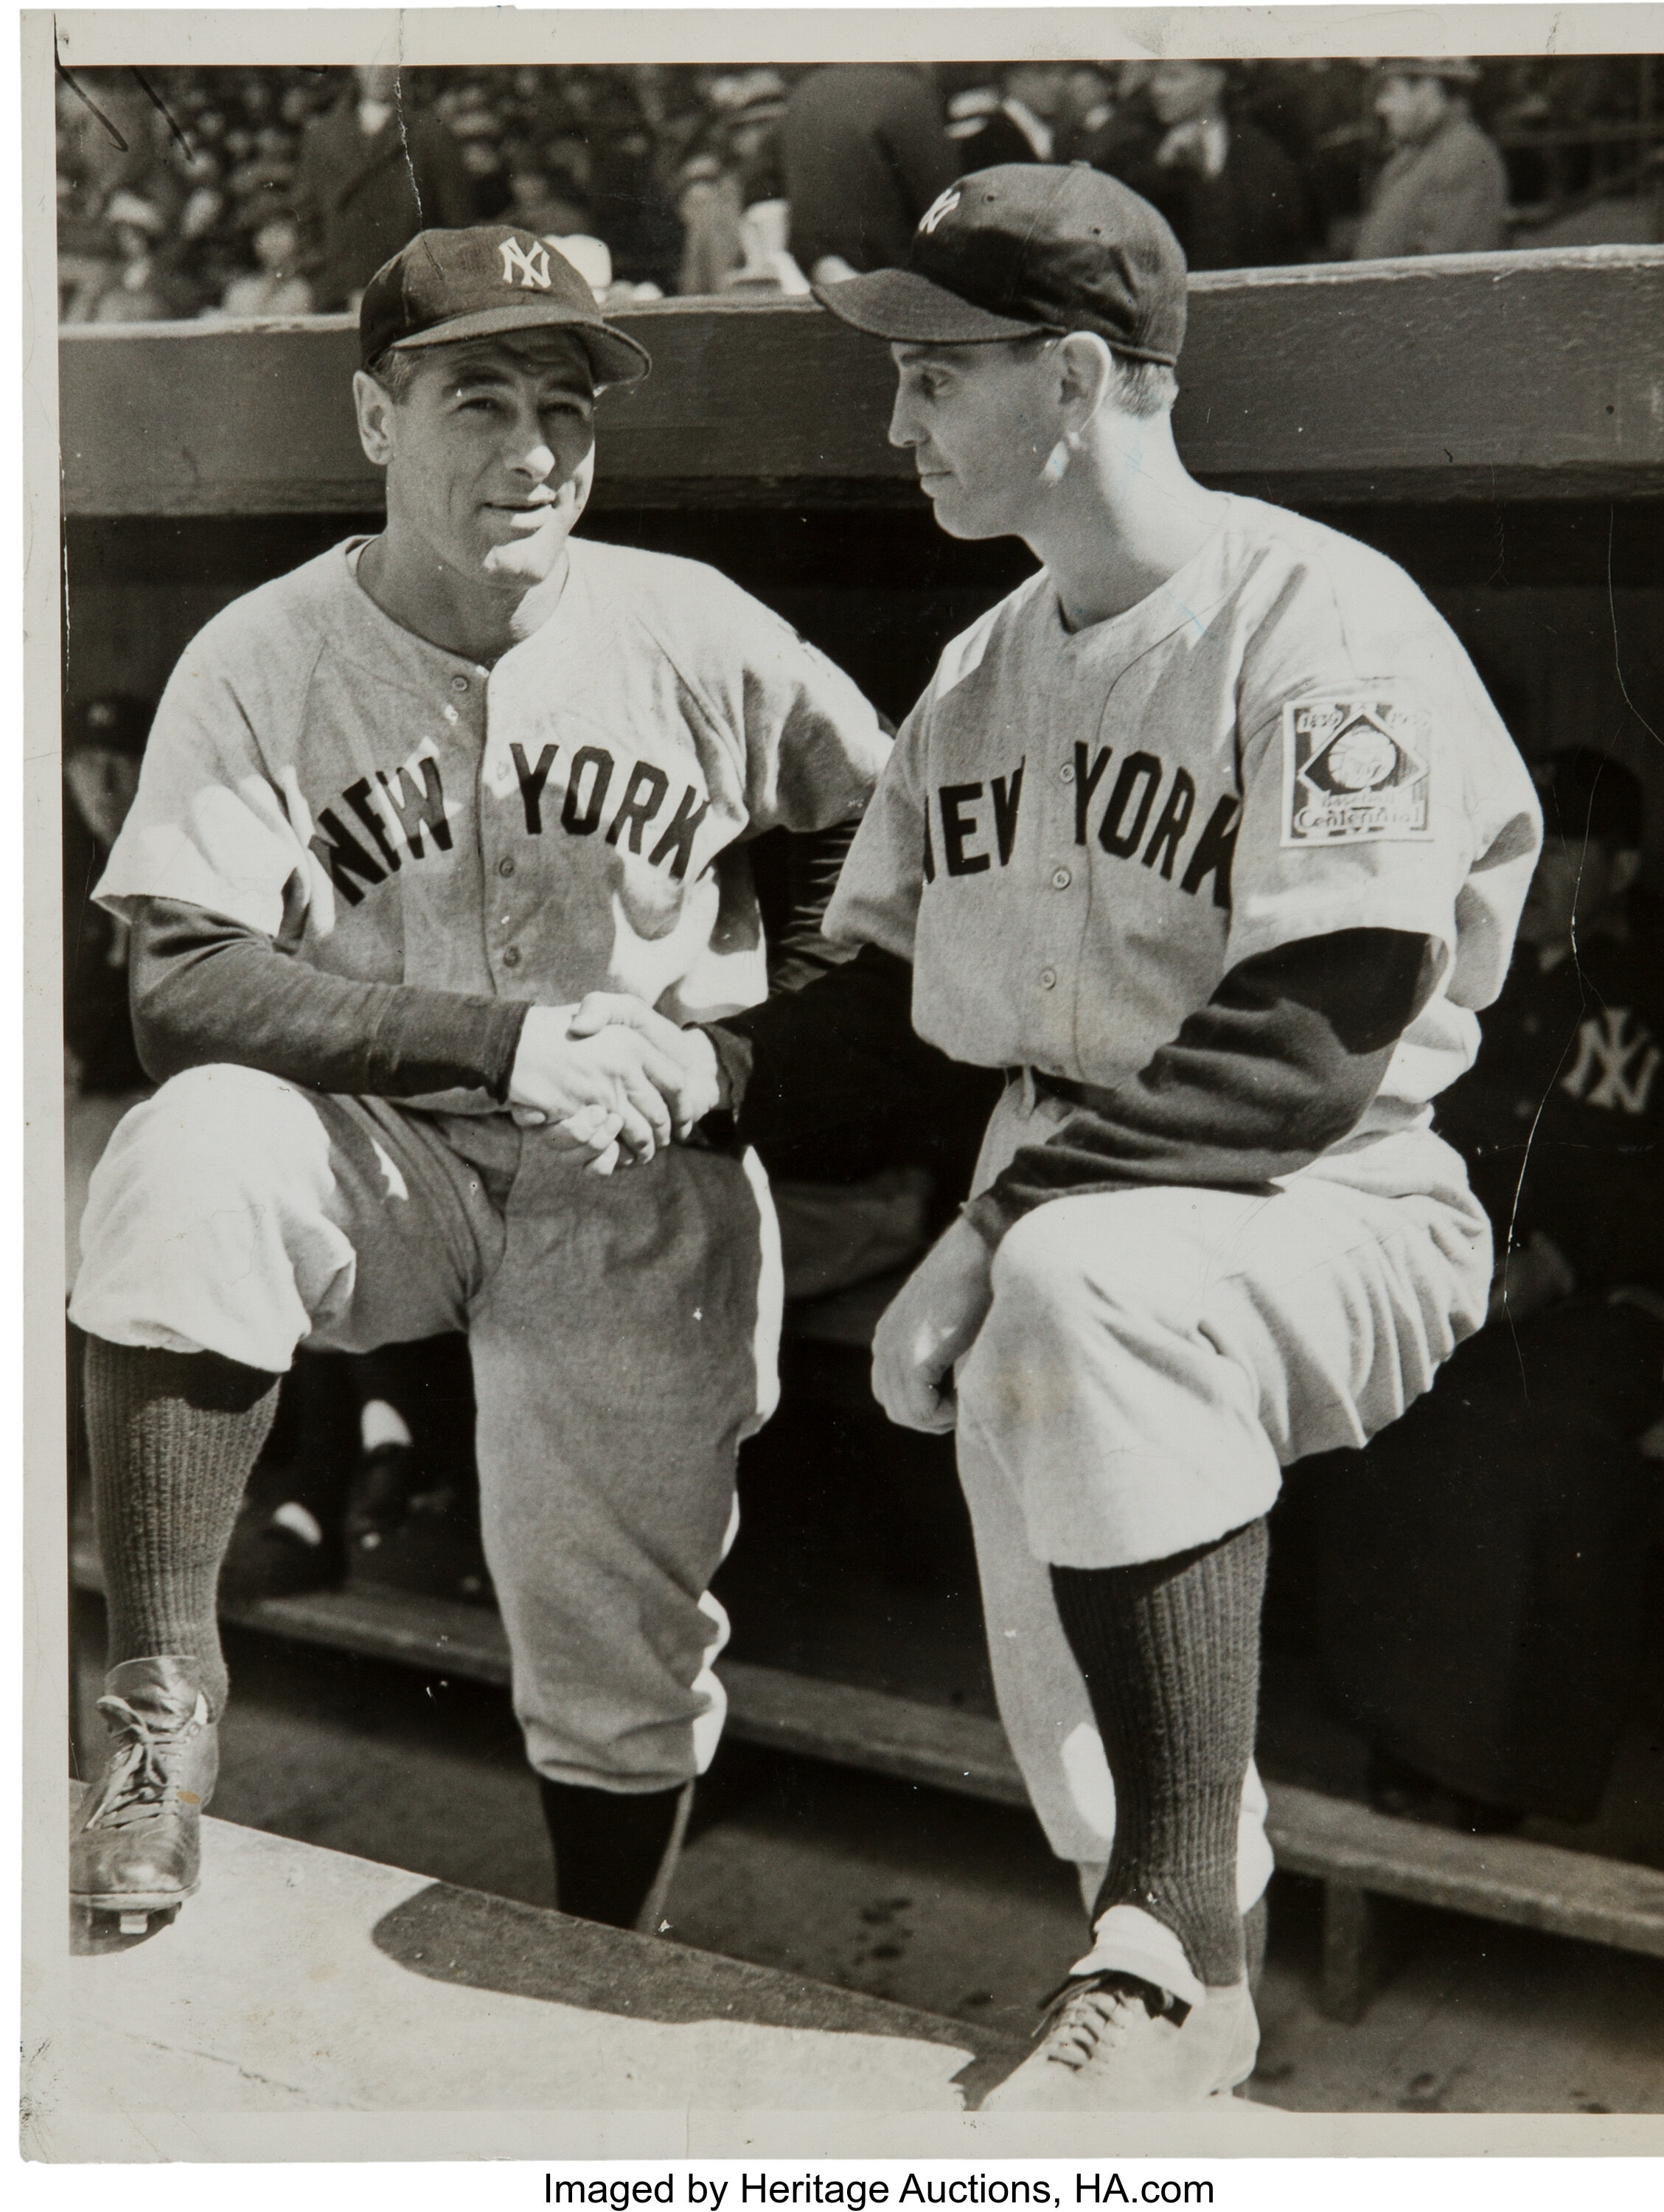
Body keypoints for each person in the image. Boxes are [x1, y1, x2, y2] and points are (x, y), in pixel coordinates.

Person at [630, 163, 1539, 2107]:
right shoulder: (985, 670)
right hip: (1065, 1184)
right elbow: (886, 1006)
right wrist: (692, 1064)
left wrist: (982, 1234)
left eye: (934, 373)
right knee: (1062, 1600)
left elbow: (1314, 1035)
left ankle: (1168, 1942)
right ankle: (1171, 1988)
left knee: (1070, 1285)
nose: (897, 422)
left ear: (1072, 376)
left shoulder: (1320, 623)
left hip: (1330, 1184)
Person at [67, 224, 890, 1935]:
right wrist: (501, 1038)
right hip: (385, 1159)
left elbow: (874, 855)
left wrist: (731, 1060)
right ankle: (155, 1716)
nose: (533, 451)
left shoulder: (694, 631)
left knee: (615, 1657)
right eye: (478, 400)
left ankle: (605, 1950)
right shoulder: (264, 652)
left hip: (634, 1174)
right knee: (186, 1151)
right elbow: (176, 981)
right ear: (375, 419)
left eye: (565, 408)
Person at [1303, 750, 1664, 1829]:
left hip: (1620, 1297)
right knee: (1388, 1392)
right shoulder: (1467, 965)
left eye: (1571, 851)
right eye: (1531, 849)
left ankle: (1498, 1768)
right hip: (1461, 1269)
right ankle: (1401, 1731)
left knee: (1535, 1435)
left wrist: (1565, 1261)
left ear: (1621, 866)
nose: (1544, 872)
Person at [292, 66, 474, 311]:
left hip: (413, 294)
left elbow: (456, 224)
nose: (379, 71)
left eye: (389, 61)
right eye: (369, 61)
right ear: (354, 68)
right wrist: (334, 285)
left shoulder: (430, 134)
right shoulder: (322, 137)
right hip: (342, 297)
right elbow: (306, 220)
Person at [1101, 60, 1311, 271]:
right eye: (1153, 79)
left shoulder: (1261, 153)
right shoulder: (1135, 153)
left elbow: (1285, 242)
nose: (1157, 89)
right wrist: (1159, 170)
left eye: (1173, 77)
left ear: (1214, 82)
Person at [781, 63, 958, 287]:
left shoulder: (803, 94)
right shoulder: (906, 93)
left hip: (820, 277)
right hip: (893, 282)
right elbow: (944, 206)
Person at [1354, 58, 1508, 260]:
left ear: (1428, 91)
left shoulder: (1462, 154)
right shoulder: (1421, 151)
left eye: (1389, 92)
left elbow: (1439, 270)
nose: (1381, 107)